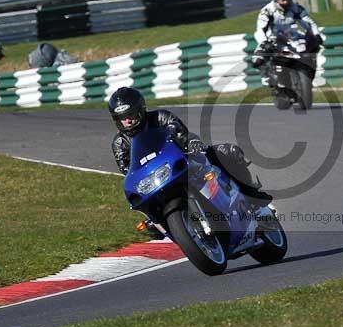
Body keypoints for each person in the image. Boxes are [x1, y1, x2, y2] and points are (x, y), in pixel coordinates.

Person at [108, 87, 272, 238]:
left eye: (130, 115)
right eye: (122, 118)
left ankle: (253, 199)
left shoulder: (160, 117)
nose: (127, 121)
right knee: (147, 212)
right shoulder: (119, 143)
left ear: (140, 110)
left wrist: (192, 143)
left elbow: (181, 132)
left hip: (182, 161)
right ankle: (167, 226)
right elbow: (127, 170)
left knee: (228, 152)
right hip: (156, 180)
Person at [252, 0, 323, 79]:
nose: (285, 2)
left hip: (291, 36)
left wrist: (316, 35)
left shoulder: (297, 8)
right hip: (272, 38)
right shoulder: (267, 11)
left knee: (312, 48)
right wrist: (264, 42)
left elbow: (309, 23)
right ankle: (266, 74)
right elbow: (260, 29)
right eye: (282, 0)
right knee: (258, 59)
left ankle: (308, 72)